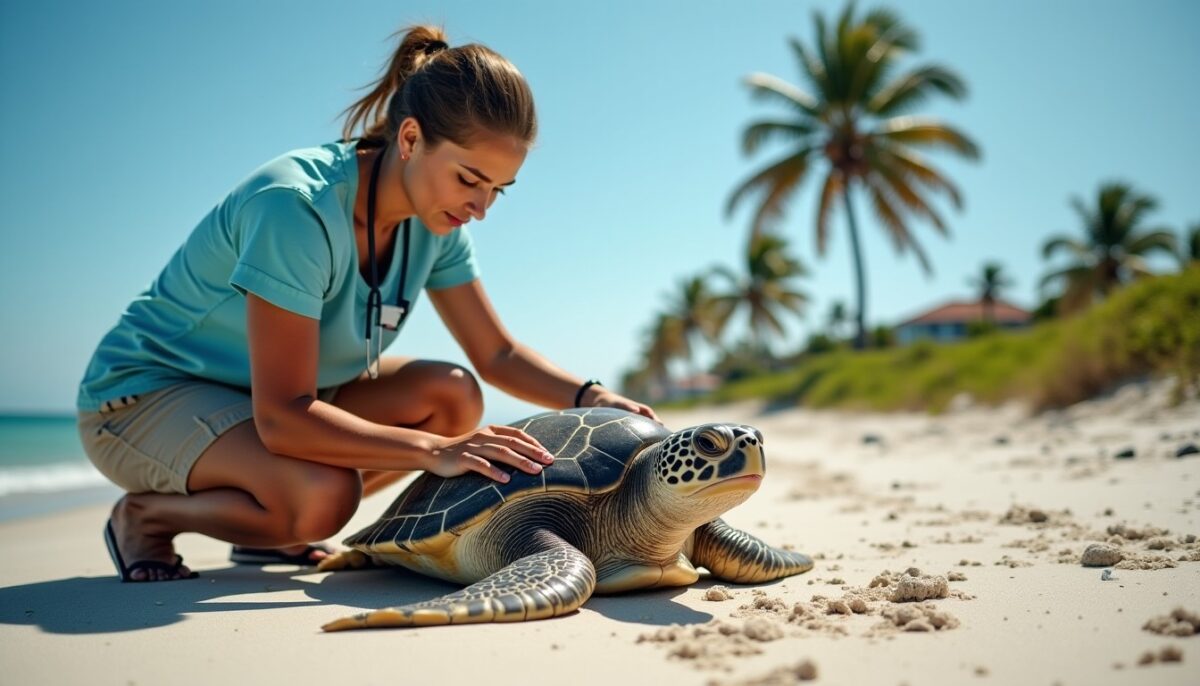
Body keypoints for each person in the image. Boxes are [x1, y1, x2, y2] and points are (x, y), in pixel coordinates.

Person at [77, 25, 657, 582]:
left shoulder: (439, 225)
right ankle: (145, 517)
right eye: (469, 178)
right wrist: (437, 450)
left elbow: (497, 354)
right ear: (409, 139)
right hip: (142, 398)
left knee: (451, 395)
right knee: (325, 498)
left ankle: (269, 525)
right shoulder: (295, 207)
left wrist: (594, 397)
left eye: (496, 190)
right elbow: (281, 417)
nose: (481, 207)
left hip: (269, 400)